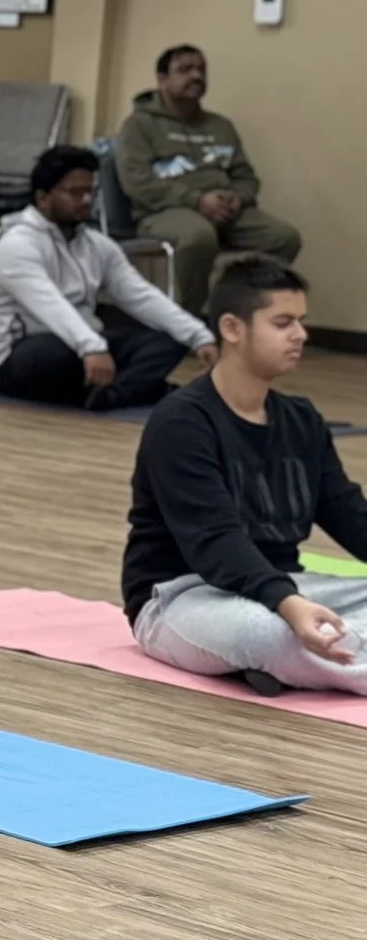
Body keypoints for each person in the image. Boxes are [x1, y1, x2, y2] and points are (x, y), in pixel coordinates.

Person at [126, 258, 367, 696]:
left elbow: (349, 514)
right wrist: (289, 606)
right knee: (271, 634)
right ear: (233, 329)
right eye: (283, 322)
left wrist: (289, 600)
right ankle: (292, 655)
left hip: (281, 585)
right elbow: (215, 540)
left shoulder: (301, 420)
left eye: (301, 322)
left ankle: (299, 658)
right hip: (182, 597)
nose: (301, 335)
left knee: (297, 626)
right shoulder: (182, 423)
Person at [0, 145, 217, 412]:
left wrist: (199, 336)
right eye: (74, 192)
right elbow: (51, 306)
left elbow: (141, 296)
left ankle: (111, 395)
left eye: (89, 191)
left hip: (84, 345)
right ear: (43, 197)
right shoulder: (17, 245)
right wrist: (91, 346)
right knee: (57, 350)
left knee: (168, 338)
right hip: (20, 357)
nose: (85, 200)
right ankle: (139, 388)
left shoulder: (97, 245)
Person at [115, 45, 302, 315]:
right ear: (162, 80)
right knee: (198, 238)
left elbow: (245, 176)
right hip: (164, 210)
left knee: (283, 238)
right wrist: (196, 201)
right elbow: (137, 182)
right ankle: (184, 322)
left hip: (226, 210)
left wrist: (239, 197)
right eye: (185, 70)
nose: (196, 76)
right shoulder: (139, 126)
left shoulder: (220, 126)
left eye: (201, 69)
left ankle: (238, 313)